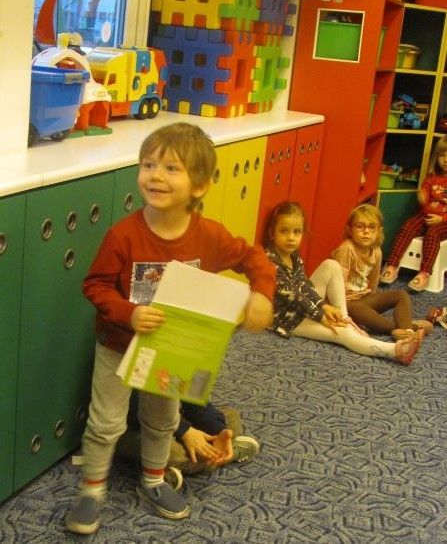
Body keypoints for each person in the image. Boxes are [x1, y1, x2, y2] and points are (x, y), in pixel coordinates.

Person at [66, 122, 275, 535]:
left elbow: (255, 259)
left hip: (171, 349)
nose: (156, 176)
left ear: (200, 185)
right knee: (106, 422)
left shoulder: (209, 236)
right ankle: (91, 491)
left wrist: (262, 296)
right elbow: (95, 285)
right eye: (148, 165)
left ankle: (154, 481)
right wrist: (128, 313)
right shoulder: (123, 235)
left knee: (163, 419)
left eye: (171, 168)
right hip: (119, 344)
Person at [264, 201, 423, 365]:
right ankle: (396, 351)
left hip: (303, 308)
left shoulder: (293, 255)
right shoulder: (270, 260)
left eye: (296, 232)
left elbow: (303, 285)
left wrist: (325, 306)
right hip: (286, 318)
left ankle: (345, 318)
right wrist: (321, 316)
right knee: (340, 333)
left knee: (331, 265)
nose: (291, 237)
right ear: (271, 233)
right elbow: (293, 296)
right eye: (284, 231)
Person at [331, 203, 432, 340]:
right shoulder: (346, 249)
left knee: (401, 295)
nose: (366, 232)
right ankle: (404, 329)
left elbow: (373, 282)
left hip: (363, 298)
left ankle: (406, 329)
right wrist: (340, 310)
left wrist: (373, 302)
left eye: (372, 227)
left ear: (379, 231)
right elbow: (336, 284)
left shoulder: (376, 252)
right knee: (357, 309)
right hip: (345, 303)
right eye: (360, 226)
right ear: (350, 229)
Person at [116, 396, 260, 487]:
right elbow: (134, 407)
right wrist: (184, 431)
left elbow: (194, 396)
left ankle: (202, 460)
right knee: (173, 452)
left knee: (231, 418)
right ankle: (221, 457)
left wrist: (218, 432)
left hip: (171, 415)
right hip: (128, 424)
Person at [379, 135, 447, 291]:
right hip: (424, 216)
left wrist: (442, 219)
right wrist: (422, 197)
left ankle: (424, 273)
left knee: (432, 234)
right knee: (407, 228)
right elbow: (424, 195)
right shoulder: (432, 178)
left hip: (443, 222)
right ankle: (392, 265)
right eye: (442, 155)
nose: (446, 160)